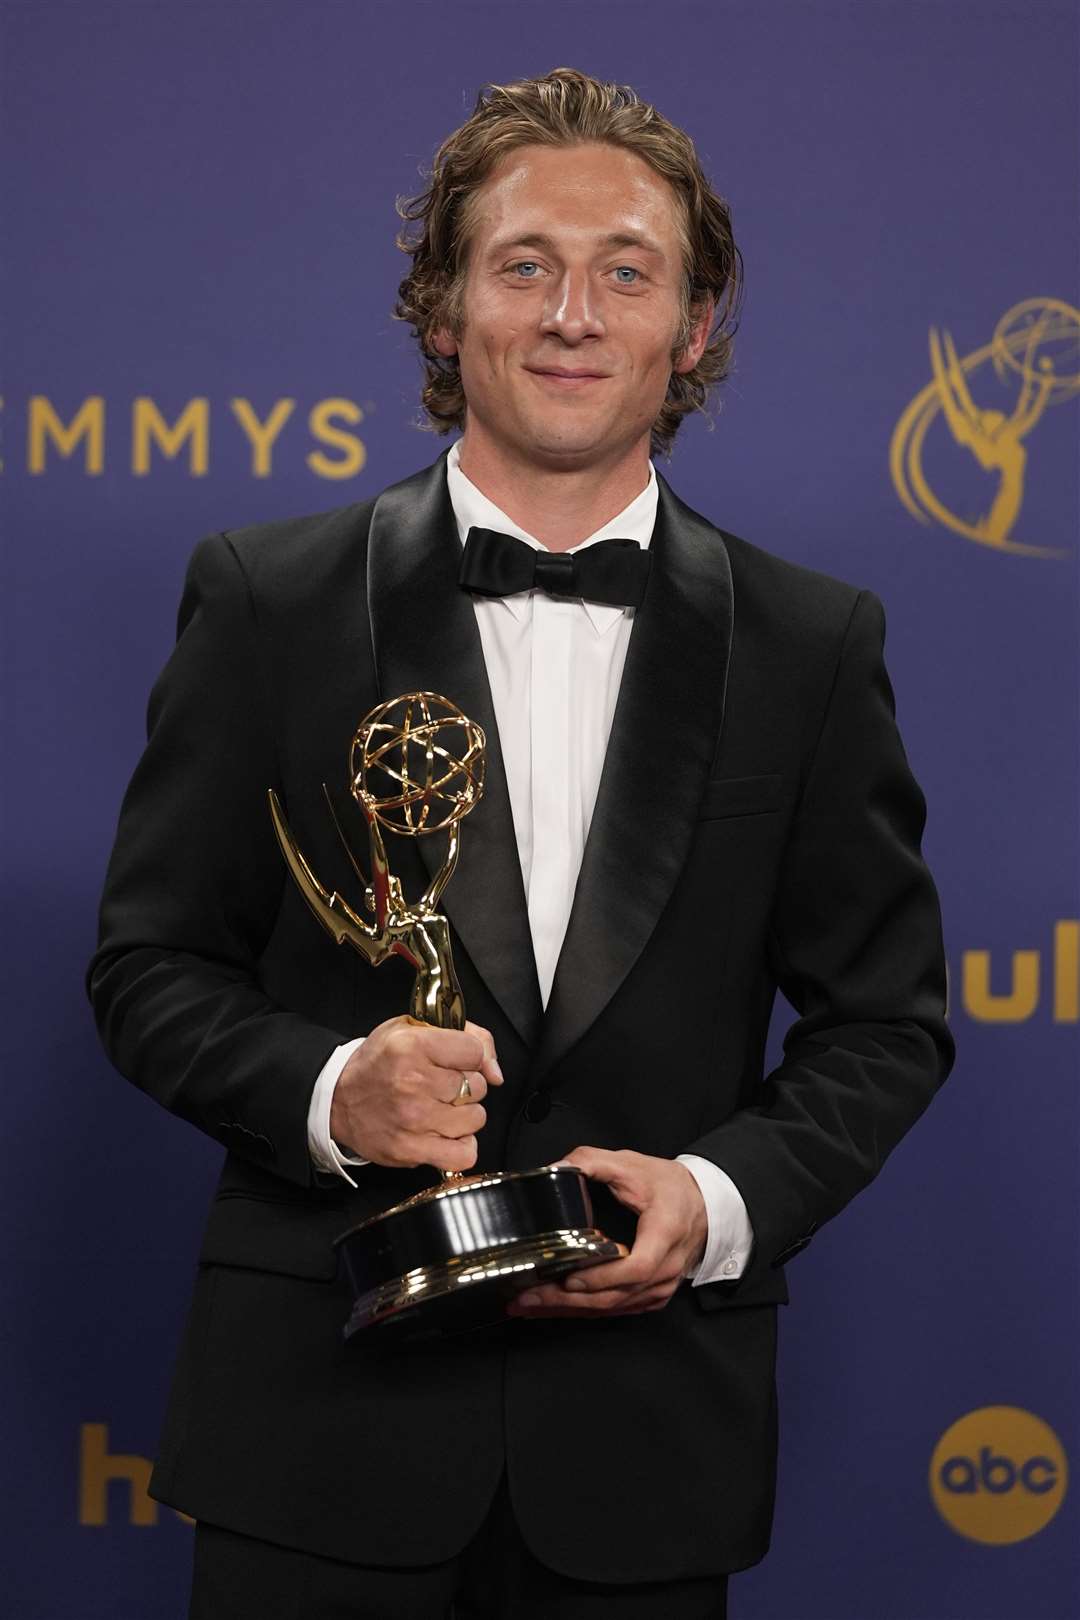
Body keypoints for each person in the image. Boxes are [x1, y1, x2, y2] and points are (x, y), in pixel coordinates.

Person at [88, 66, 954, 1620]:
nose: (574, 313)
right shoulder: (270, 600)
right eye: (524, 265)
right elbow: (150, 966)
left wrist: (717, 1199)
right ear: (443, 309)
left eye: (628, 270)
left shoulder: (813, 646)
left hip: (644, 1445)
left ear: (693, 331)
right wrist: (332, 1087)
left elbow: (883, 1023)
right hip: (316, 1426)